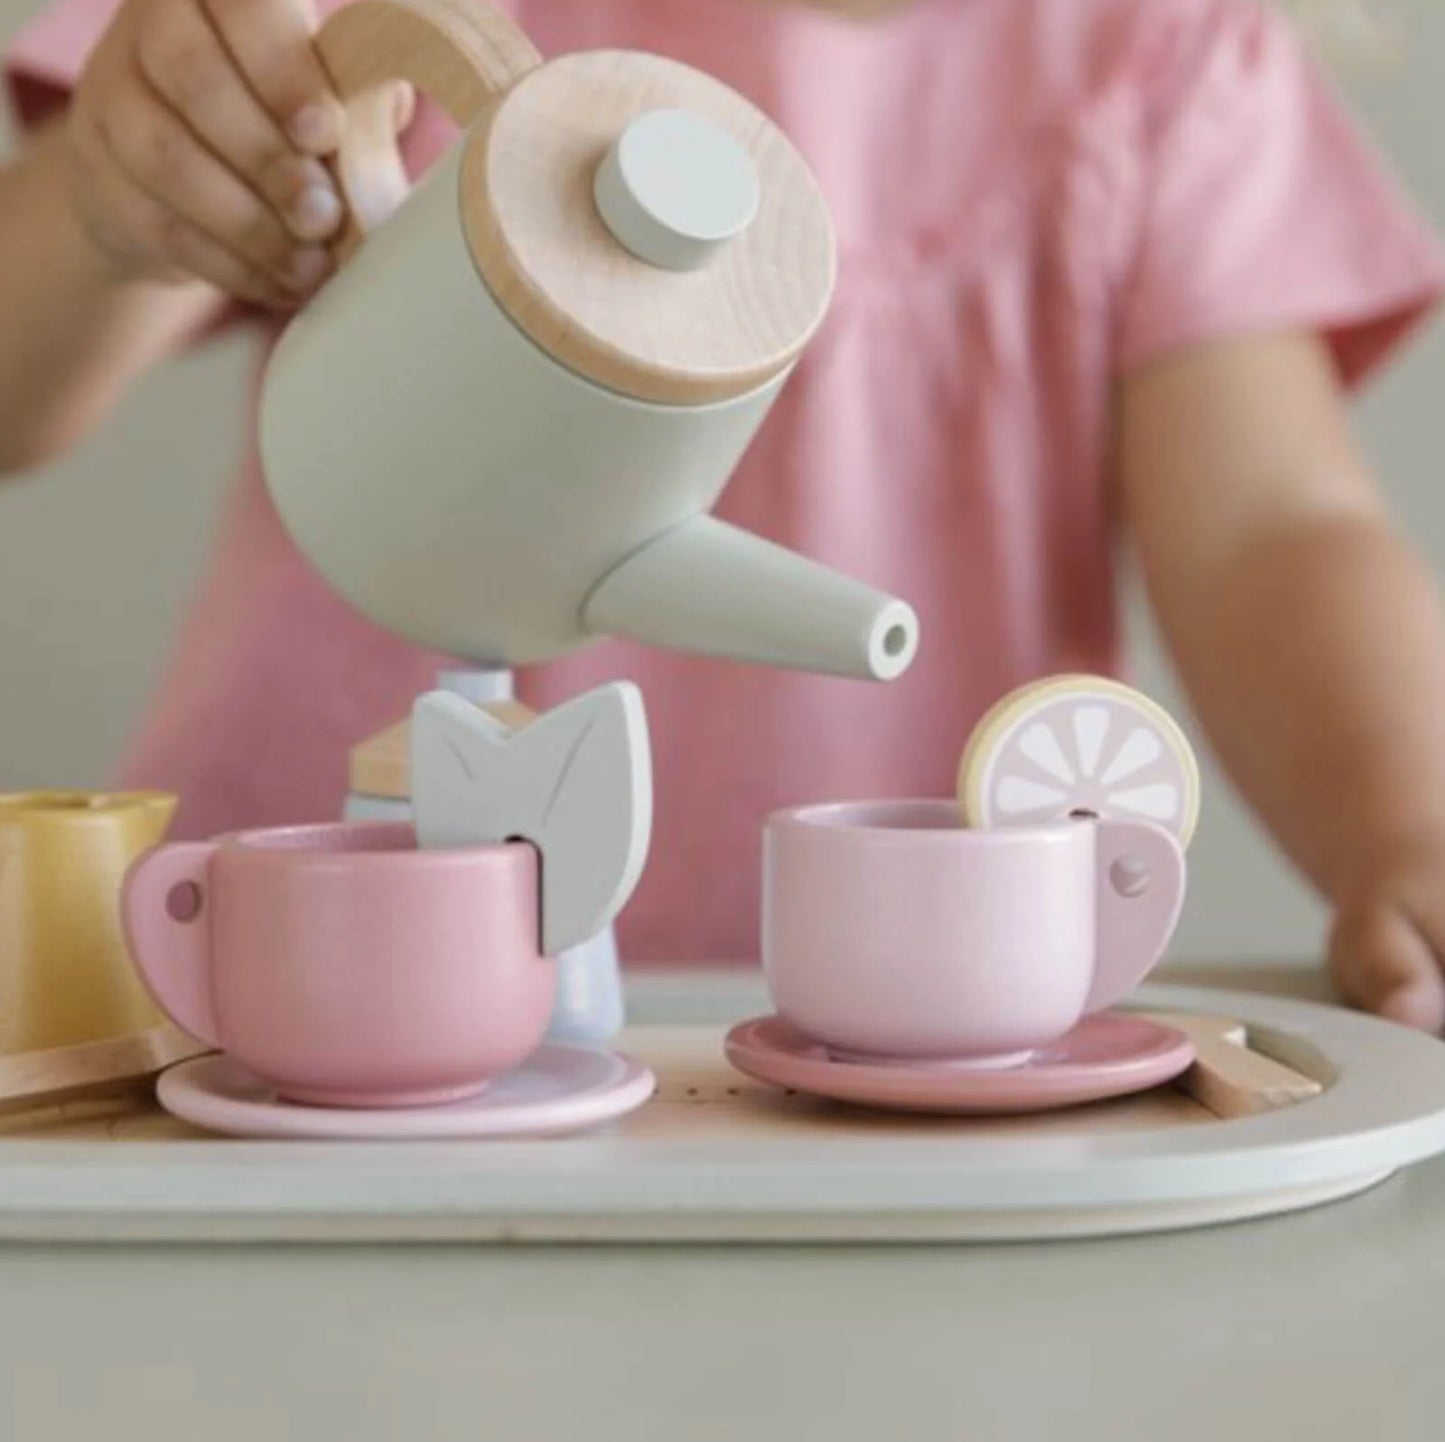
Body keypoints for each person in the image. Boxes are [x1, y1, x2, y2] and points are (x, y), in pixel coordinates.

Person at [4, 0, 1445, 1026]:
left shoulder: (1163, 58)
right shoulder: (397, 20)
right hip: (291, 997)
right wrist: (113, 204)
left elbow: (1274, 528)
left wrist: (1413, 827)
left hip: (890, 1049)